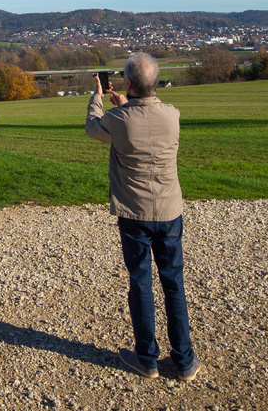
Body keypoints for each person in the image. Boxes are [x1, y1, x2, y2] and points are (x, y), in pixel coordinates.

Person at [85, 52, 200, 382]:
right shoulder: (172, 115)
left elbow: (95, 128)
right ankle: (185, 360)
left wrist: (98, 97)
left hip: (134, 213)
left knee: (141, 282)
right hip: (169, 211)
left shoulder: (118, 119)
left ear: (127, 83)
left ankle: (146, 358)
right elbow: (145, 121)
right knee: (173, 283)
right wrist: (126, 103)